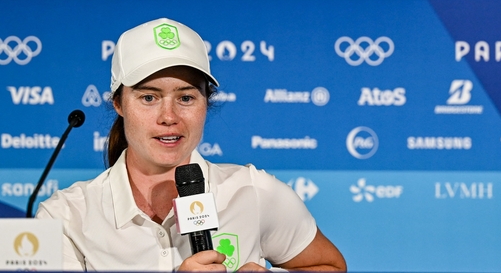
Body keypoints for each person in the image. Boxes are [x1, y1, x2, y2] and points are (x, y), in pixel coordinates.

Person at [37, 18, 347, 272]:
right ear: (119, 103)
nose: (169, 117)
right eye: (149, 98)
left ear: (206, 104)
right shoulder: (62, 216)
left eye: (186, 98)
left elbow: (330, 266)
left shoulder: (253, 191)